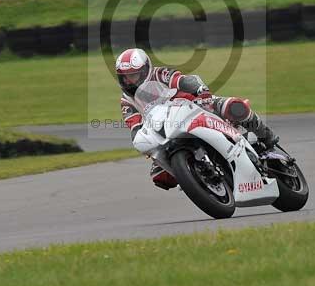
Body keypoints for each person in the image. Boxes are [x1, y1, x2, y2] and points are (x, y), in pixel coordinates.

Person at [115, 47, 279, 190]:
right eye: (125, 77)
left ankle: (266, 136)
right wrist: (142, 143)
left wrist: (200, 91)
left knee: (233, 107)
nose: (129, 81)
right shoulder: (126, 100)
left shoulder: (159, 74)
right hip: (168, 128)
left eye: (134, 75)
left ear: (145, 70)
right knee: (159, 175)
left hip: (196, 106)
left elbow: (182, 80)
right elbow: (134, 126)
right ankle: (198, 175)